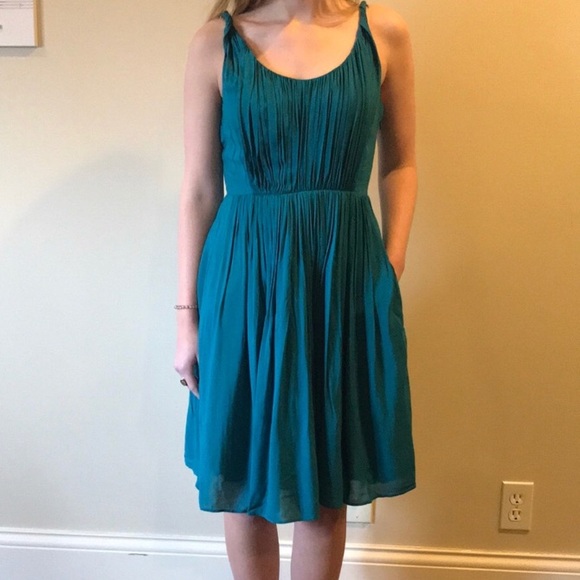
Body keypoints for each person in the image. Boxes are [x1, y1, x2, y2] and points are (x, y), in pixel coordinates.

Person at [173, 0, 417, 577]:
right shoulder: (215, 44)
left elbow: (401, 163)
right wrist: (186, 317)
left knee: (326, 473)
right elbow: (201, 188)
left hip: (342, 280)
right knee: (242, 472)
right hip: (242, 282)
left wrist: (390, 264)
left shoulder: (382, 33)